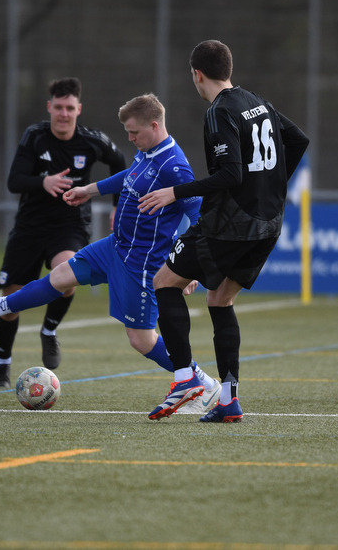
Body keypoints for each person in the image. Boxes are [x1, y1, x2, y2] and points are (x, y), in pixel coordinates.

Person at [0, 93, 221, 412]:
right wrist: (88, 190)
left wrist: (185, 268)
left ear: (154, 125)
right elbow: (128, 177)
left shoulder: (174, 167)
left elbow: (199, 217)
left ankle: (202, 385)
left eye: (134, 132)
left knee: (141, 340)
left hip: (140, 263)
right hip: (115, 247)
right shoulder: (147, 151)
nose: (130, 139)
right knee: (61, 276)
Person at [137, 40, 310, 422]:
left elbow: (230, 174)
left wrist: (174, 193)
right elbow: (298, 140)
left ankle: (185, 379)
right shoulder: (257, 102)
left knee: (164, 282)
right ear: (227, 69)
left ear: (197, 74)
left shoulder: (219, 113)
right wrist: (272, 186)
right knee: (219, 301)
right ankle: (229, 399)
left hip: (230, 224)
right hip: (269, 224)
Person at [0, 77, 126, 388]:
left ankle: (49, 331)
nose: (63, 113)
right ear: (49, 107)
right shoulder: (35, 136)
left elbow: (121, 165)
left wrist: (118, 206)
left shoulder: (93, 141)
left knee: (68, 274)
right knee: (10, 299)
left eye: (69, 108)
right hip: (29, 227)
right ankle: (2, 363)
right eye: (58, 107)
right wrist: (44, 181)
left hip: (70, 225)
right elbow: (14, 180)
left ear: (79, 109)